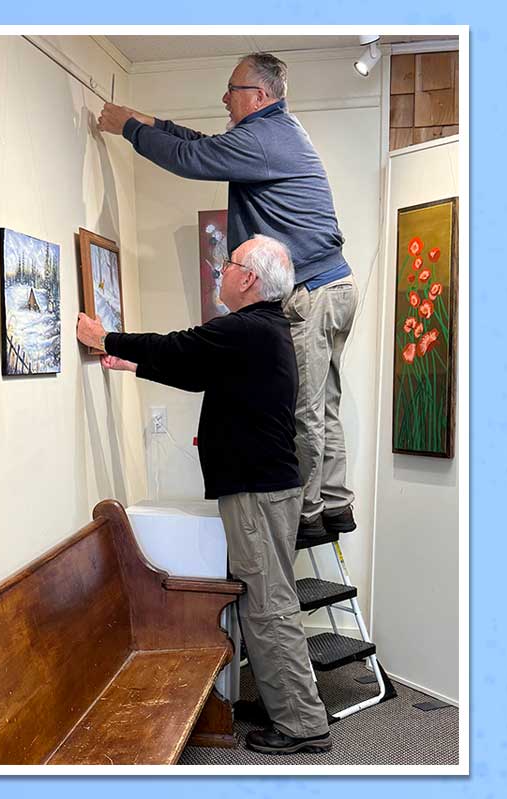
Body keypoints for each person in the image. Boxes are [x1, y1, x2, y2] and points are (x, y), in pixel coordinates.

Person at [75, 236, 331, 756]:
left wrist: (106, 337)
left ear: (249, 279)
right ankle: (287, 704)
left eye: (228, 263)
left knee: (269, 604)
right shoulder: (262, 331)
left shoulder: (246, 329)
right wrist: (131, 365)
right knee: (265, 598)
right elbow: (195, 370)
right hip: (264, 489)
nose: (221, 270)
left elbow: (180, 348)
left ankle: (302, 724)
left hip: (259, 491)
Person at [97, 52, 358, 544]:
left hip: (314, 291)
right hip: (332, 286)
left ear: (258, 97)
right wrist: (150, 122)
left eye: (232, 90)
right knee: (322, 406)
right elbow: (204, 144)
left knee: (304, 409)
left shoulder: (265, 138)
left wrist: (128, 128)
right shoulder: (273, 133)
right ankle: (334, 505)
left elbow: (192, 158)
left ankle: (305, 515)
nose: (224, 98)